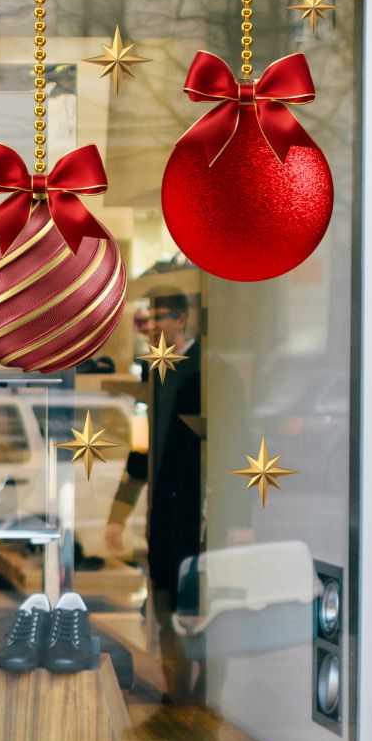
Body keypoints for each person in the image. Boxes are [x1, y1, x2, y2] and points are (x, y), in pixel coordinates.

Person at [106, 290, 201, 710]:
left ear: (181, 321)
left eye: (161, 318)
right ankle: (177, 695)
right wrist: (119, 514)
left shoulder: (207, 370)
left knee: (197, 604)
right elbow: (142, 449)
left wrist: (238, 517)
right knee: (164, 601)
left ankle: (202, 693)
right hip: (164, 512)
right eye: (150, 319)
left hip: (197, 512)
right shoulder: (159, 374)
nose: (153, 327)